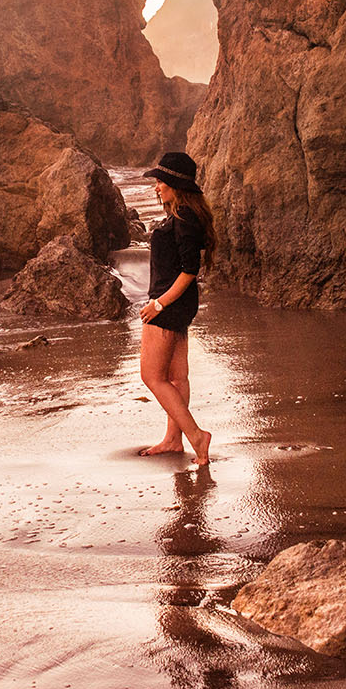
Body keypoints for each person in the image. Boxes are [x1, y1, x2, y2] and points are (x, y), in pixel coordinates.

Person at [137, 151, 216, 465]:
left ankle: (196, 436)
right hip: (180, 304)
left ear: (174, 185)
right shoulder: (184, 215)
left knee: (152, 377)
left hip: (169, 304)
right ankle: (173, 439)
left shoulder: (183, 218)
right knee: (177, 377)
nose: (157, 188)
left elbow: (189, 270)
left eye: (160, 182)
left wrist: (158, 304)